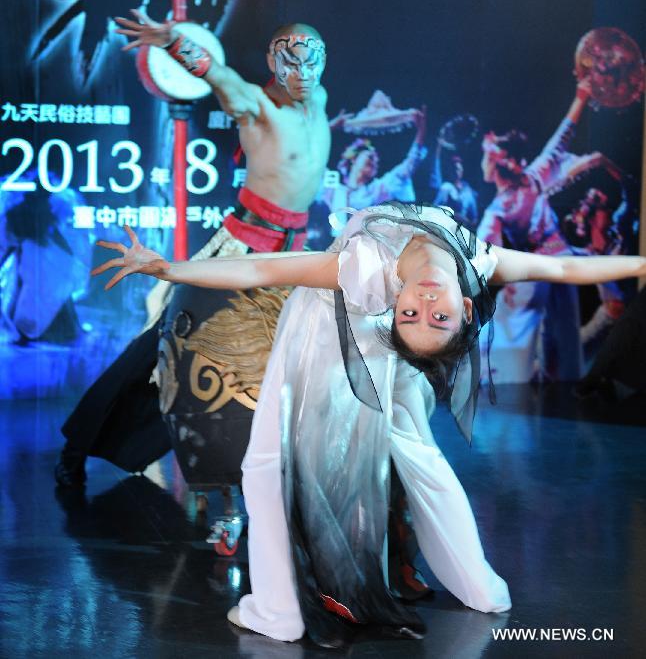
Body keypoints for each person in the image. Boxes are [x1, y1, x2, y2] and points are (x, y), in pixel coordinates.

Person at [91, 202, 646, 646]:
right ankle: (480, 588)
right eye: (431, 315)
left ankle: (279, 613)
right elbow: (567, 268)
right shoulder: (475, 260)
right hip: (365, 342)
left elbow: (263, 270)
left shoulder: (361, 268)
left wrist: (170, 268)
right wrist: (642, 264)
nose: (426, 303)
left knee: (268, 463)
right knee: (410, 448)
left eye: (420, 316)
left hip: (324, 338)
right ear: (466, 308)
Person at [55, 16, 332, 502]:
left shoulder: (319, 101)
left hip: (291, 254)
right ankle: (77, 448)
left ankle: (265, 472)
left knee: (280, 364)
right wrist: (170, 41)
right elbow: (217, 76)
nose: (305, 72)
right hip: (242, 248)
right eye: (293, 60)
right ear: (273, 61)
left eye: (315, 61)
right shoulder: (256, 105)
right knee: (164, 348)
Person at [477, 77, 620, 383]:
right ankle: (555, 393)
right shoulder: (530, 181)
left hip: (540, 272)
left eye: (486, 154)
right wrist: (580, 97)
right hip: (560, 265)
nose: (484, 160)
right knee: (560, 343)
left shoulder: (500, 209)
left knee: (525, 341)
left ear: (499, 161)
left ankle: (523, 389)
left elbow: (480, 260)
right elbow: (561, 140)